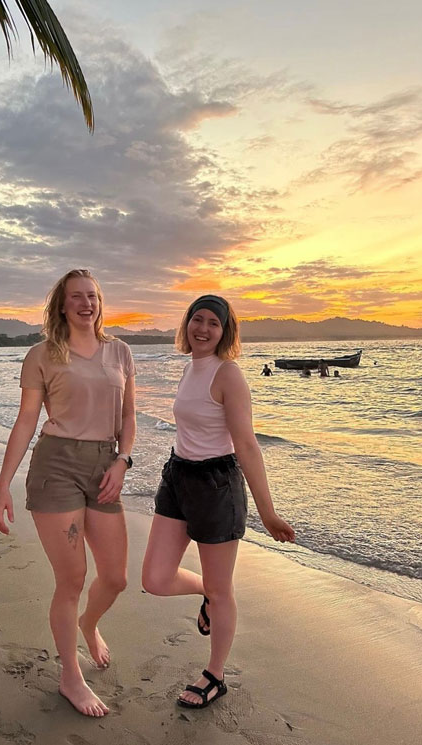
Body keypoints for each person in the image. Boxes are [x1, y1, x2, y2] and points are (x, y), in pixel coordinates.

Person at [0, 269, 136, 718]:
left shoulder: (121, 351)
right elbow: (26, 420)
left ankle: (88, 625)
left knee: (115, 578)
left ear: (100, 302)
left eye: (92, 296)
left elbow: (129, 418)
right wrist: (2, 485)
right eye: (76, 297)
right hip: (56, 467)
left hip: (105, 466)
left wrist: (123, 460)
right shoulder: (41, 355)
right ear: (61, 304)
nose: (86, 303)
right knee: (72, 579)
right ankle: (70, 676)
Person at [142, 294, 295, 710]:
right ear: (187, 324)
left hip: (216, 486)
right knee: (154, 579)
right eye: (198, 319)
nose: (203, 329)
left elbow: (246, 445)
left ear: (225, 332)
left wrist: (267, 511)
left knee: (223, 589)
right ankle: (206, 593)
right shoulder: (190, 368)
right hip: (177, 477)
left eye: (213, 323)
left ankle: (215, 675)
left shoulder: (229, 375)